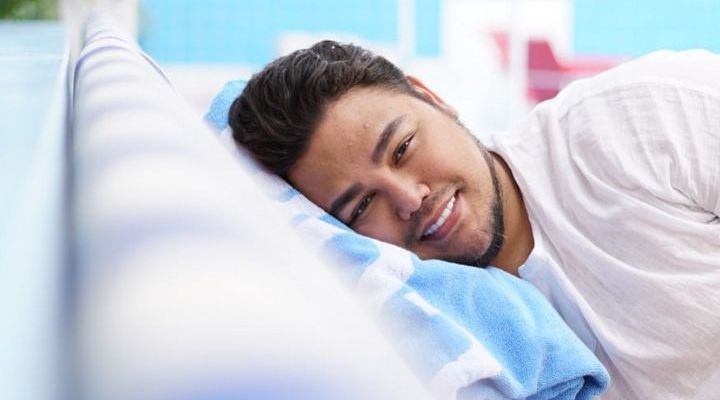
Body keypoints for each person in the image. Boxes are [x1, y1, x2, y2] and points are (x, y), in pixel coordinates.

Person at [228, 41, 720, 399]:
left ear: (431, 97)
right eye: (361, 207)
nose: (410, 198)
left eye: (402, 148)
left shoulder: (644, 116)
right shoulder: (438, 334)